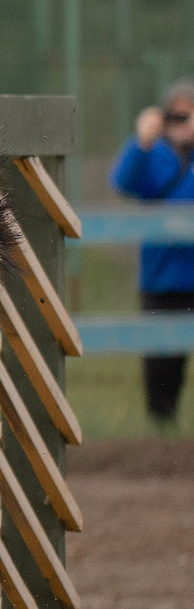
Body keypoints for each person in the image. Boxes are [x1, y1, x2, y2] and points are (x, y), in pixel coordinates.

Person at [113, 78, 194, 426]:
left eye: (187, 115)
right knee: (161, 364)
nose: (181, 124)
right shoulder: (152, 155)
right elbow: (123, 182)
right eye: (174, 116)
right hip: (161, 279)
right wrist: (141, 141)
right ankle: (162, 430)